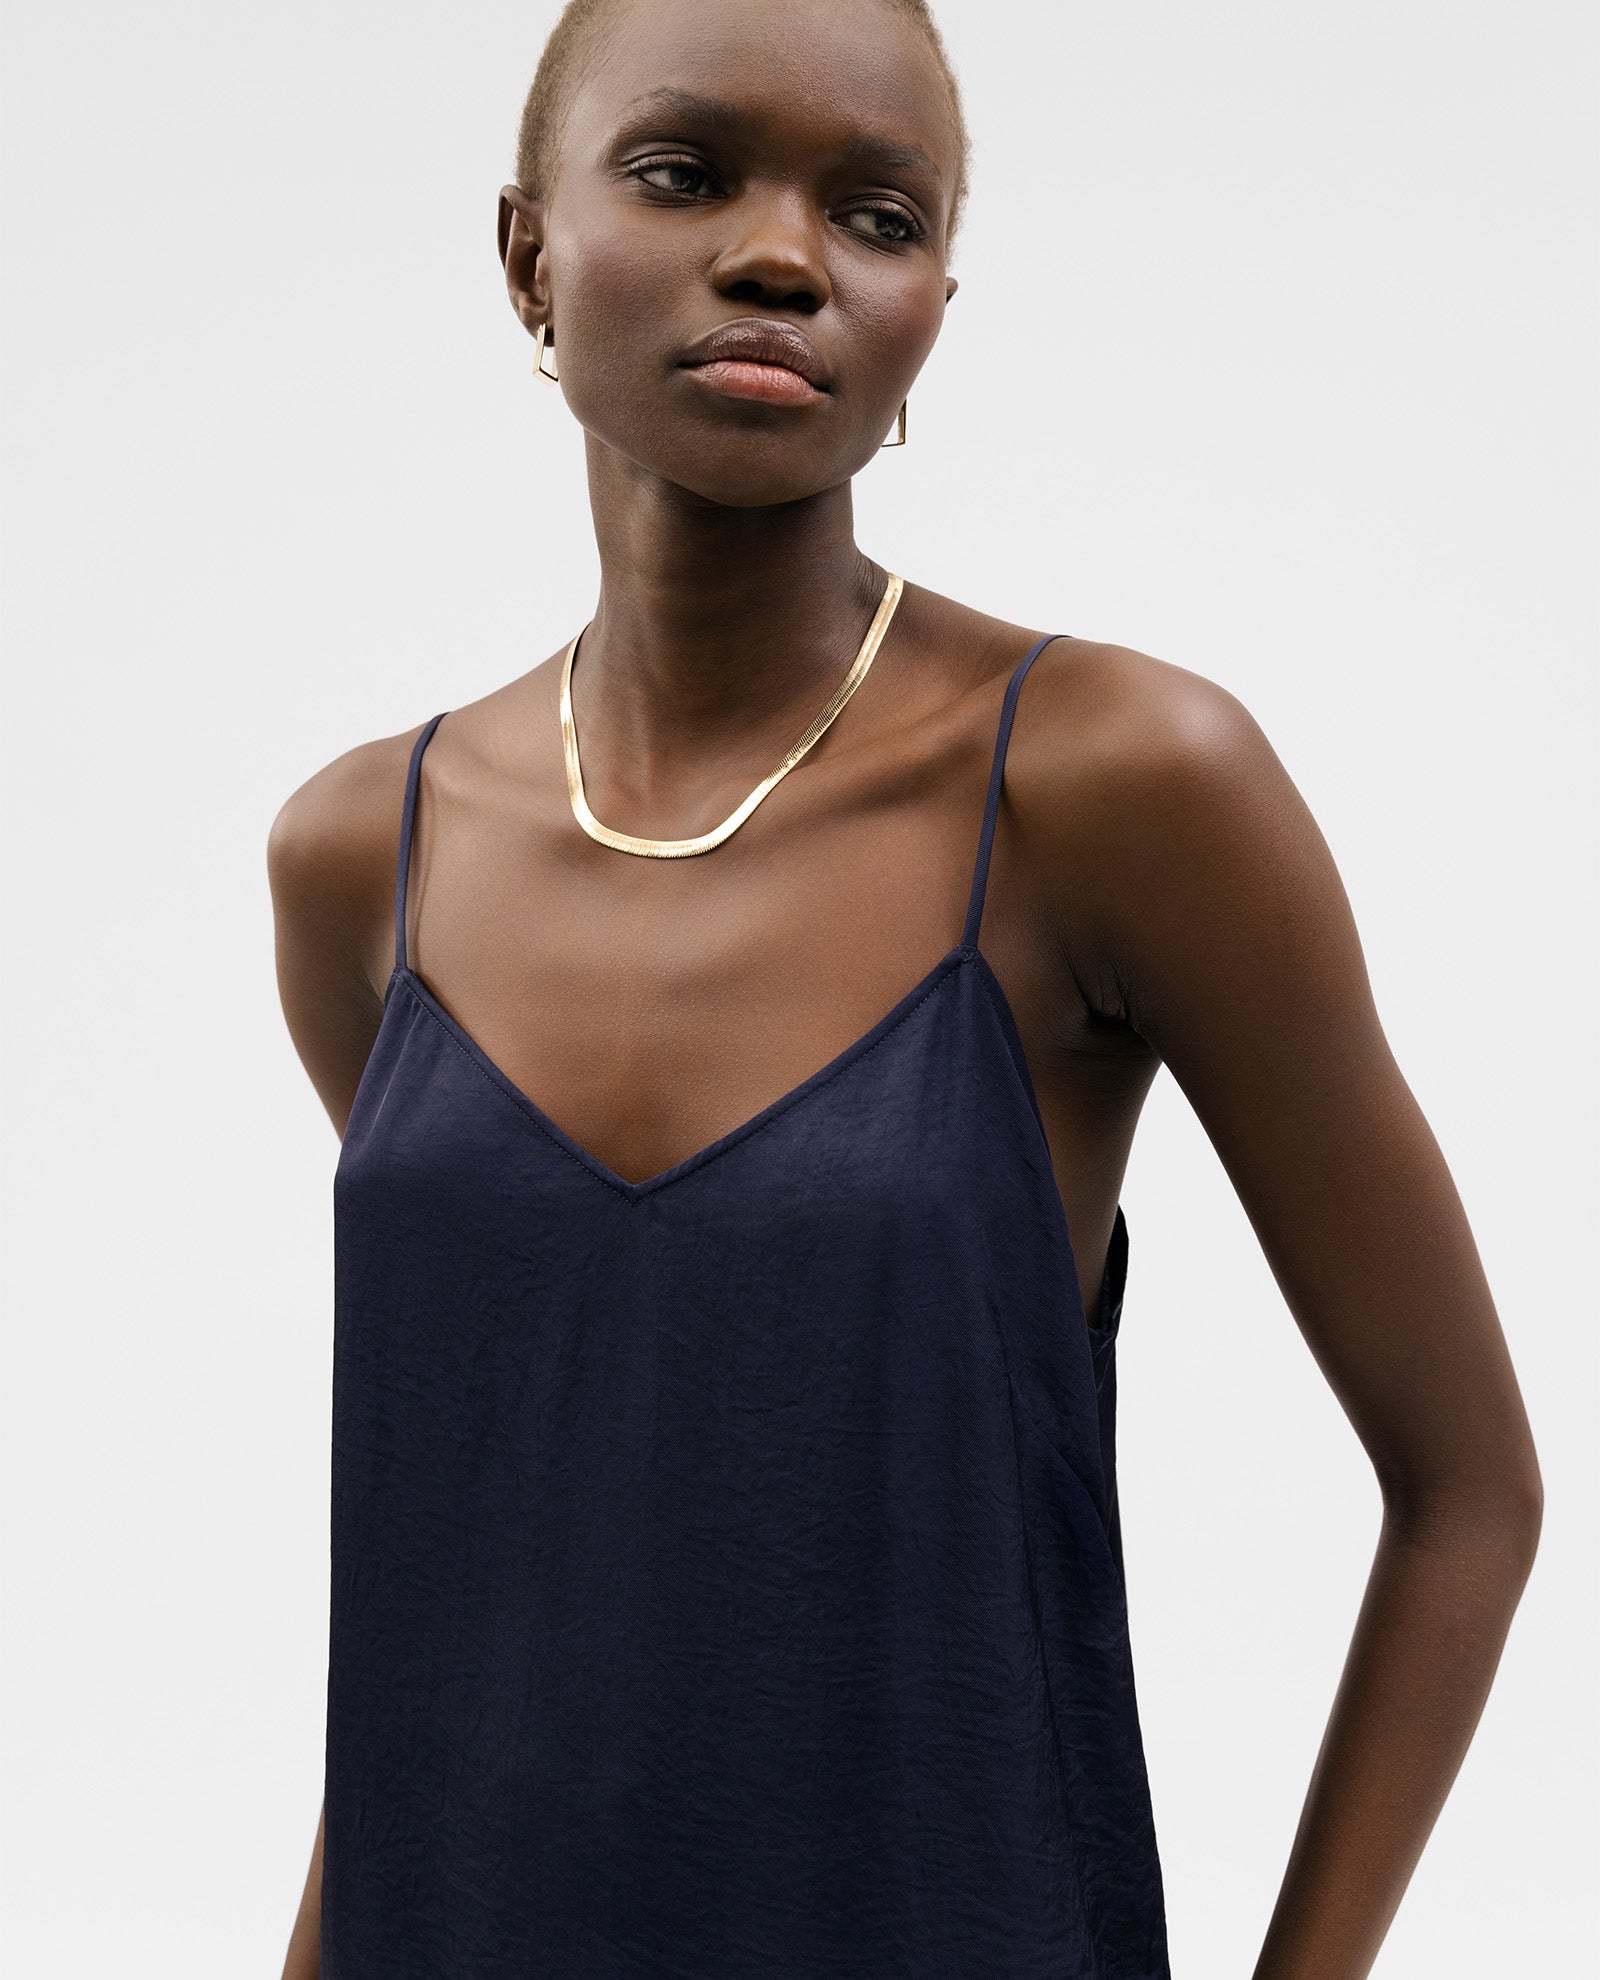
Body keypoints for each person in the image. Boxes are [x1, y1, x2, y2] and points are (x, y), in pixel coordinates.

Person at [270, 1, 1543, 1973]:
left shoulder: (1114, 783)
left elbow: (1467, 1490)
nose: (785, 253)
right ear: (527, 255)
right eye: (683, 175)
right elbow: (476, 1582)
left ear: (936, 296)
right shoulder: (366, 855)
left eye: (876, 210)